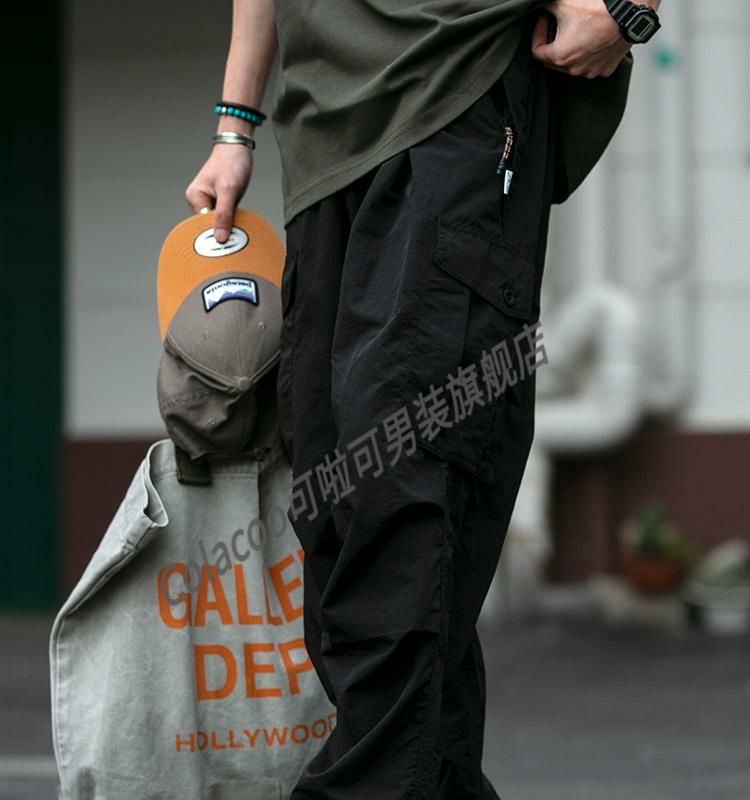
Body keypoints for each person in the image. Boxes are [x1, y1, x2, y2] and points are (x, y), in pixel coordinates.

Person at [185, 2, 663, 798]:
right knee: (333, 501)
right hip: (322, 138)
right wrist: (235, 128)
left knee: (405, 486)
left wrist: (633, 8)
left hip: (457, 91)